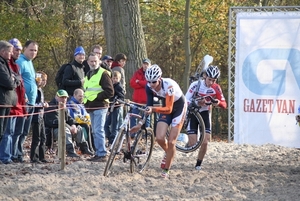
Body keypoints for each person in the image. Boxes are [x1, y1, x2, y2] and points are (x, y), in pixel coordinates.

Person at [130, 64, 187, 178]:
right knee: (159, 138)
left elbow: (169, 109)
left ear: (159, 79)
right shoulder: (148, 86)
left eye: (154, 82)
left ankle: (166, 170)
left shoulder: (169, 85)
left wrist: (153, 109)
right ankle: (169, 153)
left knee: (171, 142)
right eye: (149, 81)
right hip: (165, 108)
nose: (151, 84)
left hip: (178, 107)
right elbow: (148, 107)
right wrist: (140, 123)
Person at [185, 65, 227, 171]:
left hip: (204, 114)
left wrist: (217, 103)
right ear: (205, 76)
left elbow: (224, 104)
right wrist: (197, 102)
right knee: (193, 144)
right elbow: (185, 101)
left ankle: (198, 164)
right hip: (193, 113)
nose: (211, 82)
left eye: (214, 80)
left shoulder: (216, 88)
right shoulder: (196, 85)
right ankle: (189, 143)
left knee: (205, 142)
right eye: (209, 79)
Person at [84, 52, 114, 162]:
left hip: (100, 106)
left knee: (98, 130)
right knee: (95, 131)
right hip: (91, 106)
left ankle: (102, 153)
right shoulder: (88, 74)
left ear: (99, 62)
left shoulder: (103, 73)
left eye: (95, 61)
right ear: (87, 62)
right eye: (91, 61)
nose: (93, 63)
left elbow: (110, 92)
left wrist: (97, 97)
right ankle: (98, 153)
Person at [15, 40, 38, 162]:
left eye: (35, 50)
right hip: (24, 102)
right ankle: (16, 153)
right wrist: (24, 96)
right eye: (31, 50)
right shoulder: (20, 61)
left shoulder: (30, 63)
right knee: (19, 130)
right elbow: (18, 81)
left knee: (25, 131)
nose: (33, 52)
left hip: (32, 102)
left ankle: (19, 152)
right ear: (25, 49)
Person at [44, 89, 85, 158]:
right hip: (53, 130)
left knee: (79, 128)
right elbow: (55, 122)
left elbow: (69, 118)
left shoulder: (64, 107)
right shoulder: (50, 107)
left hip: (64, 126)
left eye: (65, 97)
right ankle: (70, 151)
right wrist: (70, 127)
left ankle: (84, 149)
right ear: (56, 97)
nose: (64, 99)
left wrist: (73, 125)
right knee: (65, 130)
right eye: (62, 97)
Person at [0, 40, 18, 164]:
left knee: (2, 132)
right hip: (2, 101)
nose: (11, 55)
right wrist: (14, 80)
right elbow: (9, 82)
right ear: (2, 51)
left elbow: (16, 78)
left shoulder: (6, 63)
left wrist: (14, 80)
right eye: (10, 52)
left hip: (8, 101)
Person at [67, 88, 94, 155]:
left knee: (91, 126)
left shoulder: (81, 104)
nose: (81, 98)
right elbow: (73, 116)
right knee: (87, 126)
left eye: (83, 96)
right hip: (74, 123)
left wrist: (87, 119)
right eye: (80, 96)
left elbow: (86, 115)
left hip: (82, 122)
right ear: (74, 95)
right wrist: (85, 120)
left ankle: (93, 147)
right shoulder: (70, 104)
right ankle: (89, 148)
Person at [30, 71, 49, 163]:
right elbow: (33, 103)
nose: (44, 82)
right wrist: (42, 104)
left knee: (43, 137)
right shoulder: (35, 90)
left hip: (41, 116)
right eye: (42, 80)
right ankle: (34, 157)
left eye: (45, 80)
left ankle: (42, 156)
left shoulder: (40, 90)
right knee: (36, 137)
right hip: (36, 116)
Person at [129, 58, 151, 131]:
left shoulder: (151, 73)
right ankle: (133, 133)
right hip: (137, 100)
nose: (145, 66)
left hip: (146, 100)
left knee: (146, 118)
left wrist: (139, 82)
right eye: (144, 64)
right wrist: (142, 83)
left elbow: (148, 84)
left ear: (149, 65)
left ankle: (146, 134)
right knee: (133, 116)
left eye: (147, 64)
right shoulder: (137, 73)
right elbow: (132, 83)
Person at [104, 71, 125, 146]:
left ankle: (113, 141)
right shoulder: (111, 85)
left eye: (116, 78)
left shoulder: (119, 86)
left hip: (116, 108)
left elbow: (122, 96)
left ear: (119, 79)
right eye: (114, 78)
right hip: (111, 107)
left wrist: (118, 102)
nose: (115, 80)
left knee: (114, 125)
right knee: (106, 125)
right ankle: (110, 138)